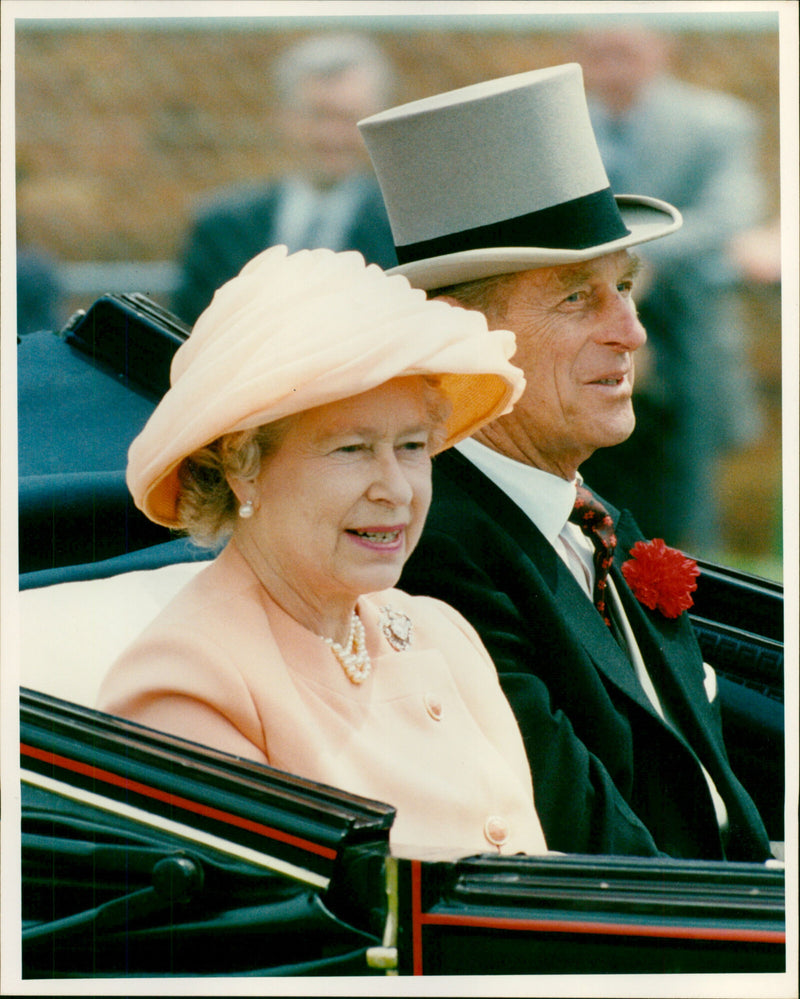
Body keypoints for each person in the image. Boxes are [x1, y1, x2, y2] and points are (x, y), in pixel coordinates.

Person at [358, 64, 772, 861]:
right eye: (578, 299)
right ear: (461, 336)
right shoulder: (436, 548)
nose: (631, 331)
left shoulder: (594, 519)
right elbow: (594, 855)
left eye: (626, 287)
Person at [97, 244, 548, 857]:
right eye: (351, 450)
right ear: (243, 466)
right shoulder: (191, 682)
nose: (395, 489)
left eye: (412, 446)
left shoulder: (441, 631)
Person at [573, 25, 766, 554]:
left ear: (662, 50)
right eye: (599, 52)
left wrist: (636, 263)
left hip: (684, 339)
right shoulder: (555, 128)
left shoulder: (715, 123)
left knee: (685, 514)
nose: (612, 65)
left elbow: (731, 215)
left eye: (626, 50)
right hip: (579, 338)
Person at [171, 34, 397, 326]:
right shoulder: (221, 226)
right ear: (283, 117)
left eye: (346, 117)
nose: (330, 135)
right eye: (317, 115)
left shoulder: (403, 232)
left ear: (377, 120)